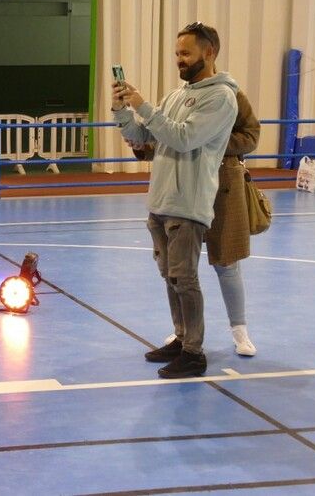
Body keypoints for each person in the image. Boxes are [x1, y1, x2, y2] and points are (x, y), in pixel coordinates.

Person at [111, 21, 239, 379]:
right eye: (177, 53)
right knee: (170, 276)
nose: (179, 59)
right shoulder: (174, 96)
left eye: (186, 53)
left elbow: (184, 138)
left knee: (185, 278)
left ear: (208, 52)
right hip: (161, 201)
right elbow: (146, 137)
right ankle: (181, 338)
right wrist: (122, 111)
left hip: (188, 203)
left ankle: (194, 353)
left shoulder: (221, 97)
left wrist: (145, 106)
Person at [132, 90, 261, 357]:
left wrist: (210, 139)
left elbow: (251, 136)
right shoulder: (179, 96)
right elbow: (171, 135)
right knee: (177, 266)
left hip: (224, 185)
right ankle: (183, 332)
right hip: (184, 185)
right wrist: (143, 146)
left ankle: (240, 330)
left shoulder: (229, 95)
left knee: (227, 261)